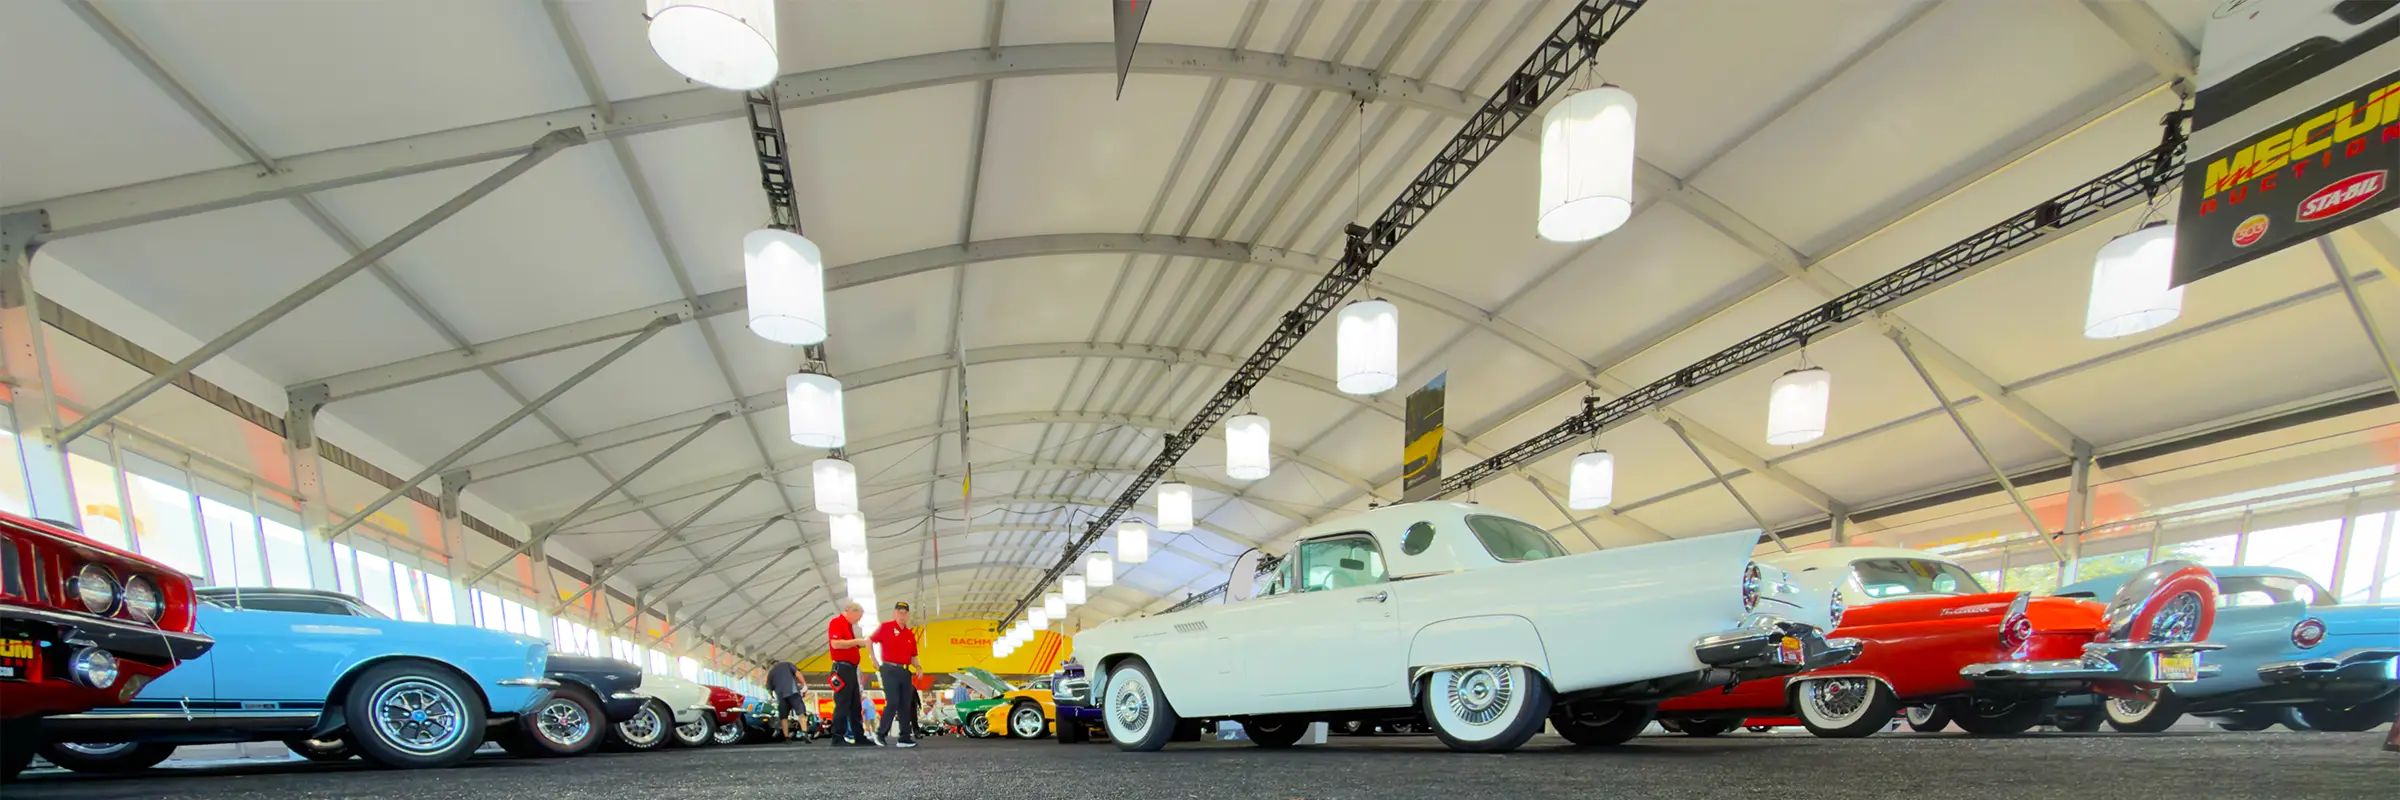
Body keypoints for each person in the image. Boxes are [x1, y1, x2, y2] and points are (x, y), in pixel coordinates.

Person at [870, 600, 922, 748]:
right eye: (899, 612)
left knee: (905, 704)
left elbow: (913, 655)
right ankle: (880, 733)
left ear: (908, 615)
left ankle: (904, 737)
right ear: (895, 613)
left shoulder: (910, 634)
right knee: (892, 702)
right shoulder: (886, 627)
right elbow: (869, 641)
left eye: (905, 613)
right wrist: (873, 659)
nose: (902, 615)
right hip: (889, 669)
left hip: (905, 671)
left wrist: (918, 667)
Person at [826, 602, 871, 745]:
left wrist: (859, 644)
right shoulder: (837, 622)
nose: (859, 620)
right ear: (851, 611)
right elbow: (836, 644)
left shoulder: (848, 626)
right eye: (858, 616)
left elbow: (846, 643)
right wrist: (856, 641)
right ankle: (837, 736)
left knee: (855, 704)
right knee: (842, 702)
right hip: (841, 668)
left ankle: (859, 736)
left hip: (851, 669)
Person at [767, 660, 805, 740]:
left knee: (783, 717)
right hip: (793, 693)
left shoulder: (771, 673)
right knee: (800, 713)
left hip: (781, 697)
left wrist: (771, 696)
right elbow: (797, 674)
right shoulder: (787, 664)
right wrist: (803, 684)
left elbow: (769, 688)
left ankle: (786, 737)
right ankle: (805, 733)